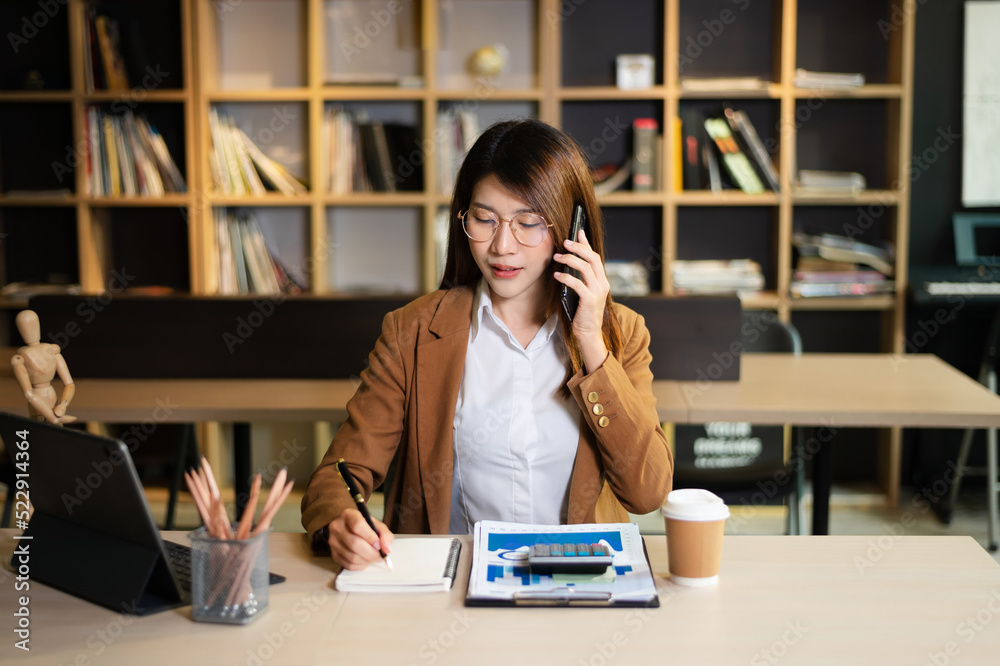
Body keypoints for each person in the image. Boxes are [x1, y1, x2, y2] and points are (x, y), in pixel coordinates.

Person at [301, 119, 673, 569]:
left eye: (529, 222)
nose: (501, 246)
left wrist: (591, 343)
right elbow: (341, 472)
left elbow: (647, 492)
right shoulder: (413, 331)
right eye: (484, 219)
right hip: (453, 585)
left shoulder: (621, 334)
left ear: (573, 230)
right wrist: (341, 521)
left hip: (577, 584)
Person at [11, 309, 76, 424]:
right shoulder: (20, 357)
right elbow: (29, 394)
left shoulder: (52, 349)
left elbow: (69, 384)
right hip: (38, 410)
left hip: (53, 402)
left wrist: (63, 404)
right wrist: (53, 418)